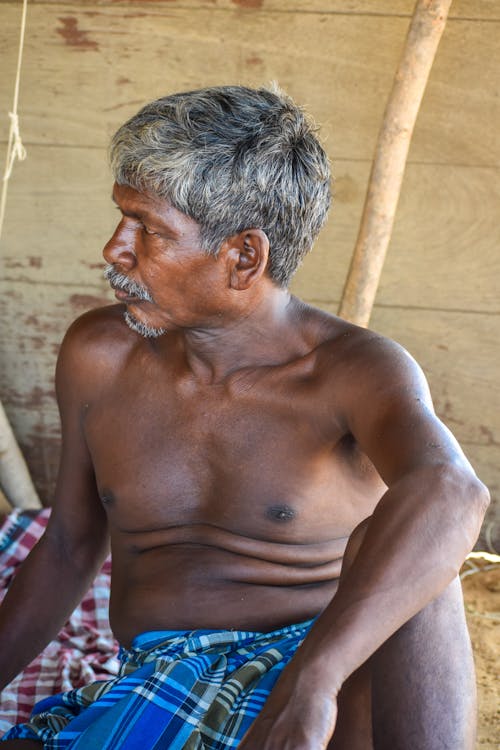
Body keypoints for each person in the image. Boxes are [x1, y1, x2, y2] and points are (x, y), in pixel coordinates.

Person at [0, 85, 489, 750]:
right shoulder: (99, 355)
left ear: (244, 258)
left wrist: (312, 687)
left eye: (150, 229)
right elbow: (67, 545)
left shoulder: (353, 370)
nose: (116, 248)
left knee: (418, 533)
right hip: (161, 678)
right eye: (122, 218)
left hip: (331, 679)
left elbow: (454, 491)